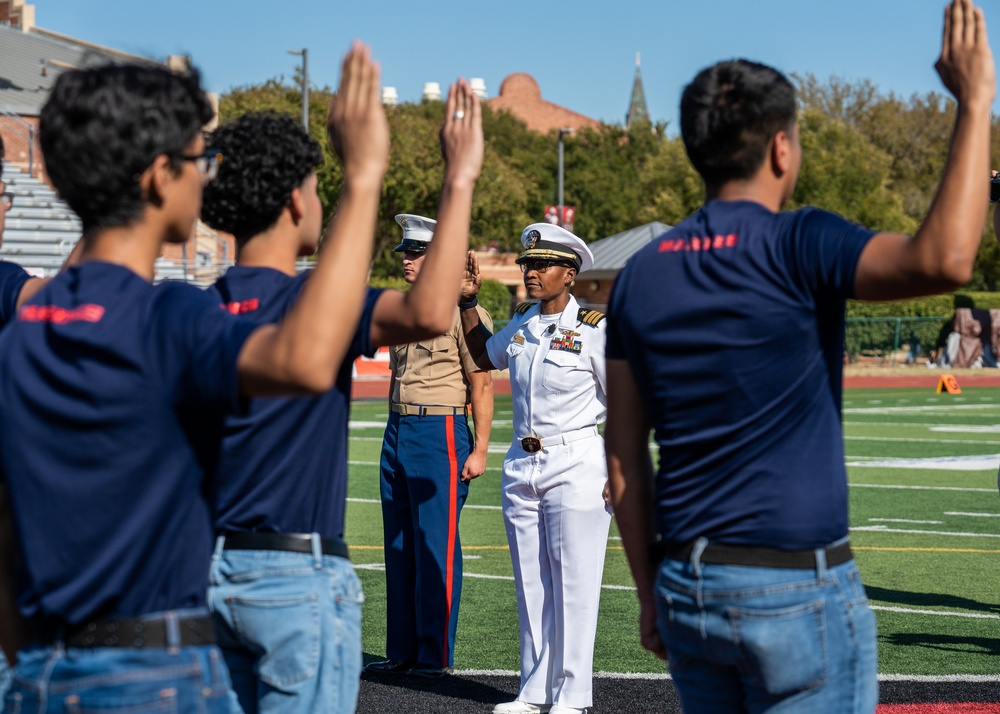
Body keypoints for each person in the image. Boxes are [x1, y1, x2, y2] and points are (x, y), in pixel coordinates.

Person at [604, 1, 993, 712]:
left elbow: (624, 458)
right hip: (794, 585)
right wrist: (974, 102)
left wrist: (648, 592)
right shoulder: (798, 242)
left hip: (687, 582)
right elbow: (948, 256)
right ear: (782, 149)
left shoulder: (641, 275)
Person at [0, 43, 390, 713]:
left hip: (36, 675)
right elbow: (304, 360)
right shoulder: (166, 315)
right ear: (158, 176)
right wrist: (362, 177)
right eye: (195, 161)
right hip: (155, 670)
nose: (204, 178)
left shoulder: (22, 333)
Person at [200, 80, 483, 714]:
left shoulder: (185, 308)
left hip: (203, 572)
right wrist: (456, 176)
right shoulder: (316, 306)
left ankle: (424, 648)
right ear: (297, 204)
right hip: (295, 577)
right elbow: (432, 308)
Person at [459, 223, 610, 714]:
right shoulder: (523, 322)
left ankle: (573, 694)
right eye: (527, 264)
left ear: (570, 273)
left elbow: (625, 400)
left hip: (576, 459)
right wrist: (467, 303)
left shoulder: (594, 328)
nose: (531, 272)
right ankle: (535, 688)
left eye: (542, 265)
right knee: (531, 582)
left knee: (574, 582)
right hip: (522, 460)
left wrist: (618, 469)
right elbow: (485, 355)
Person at [366, 212, 494, 679]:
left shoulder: (465, 311)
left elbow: (481, 384)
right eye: (406, 253)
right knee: (398, 545)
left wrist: (480, 449)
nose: (407, 261)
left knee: (434, 545)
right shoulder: (408, 307)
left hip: (440, 432)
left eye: (417, 253)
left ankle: (433, 654)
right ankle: (401, 649)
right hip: (398, 429)